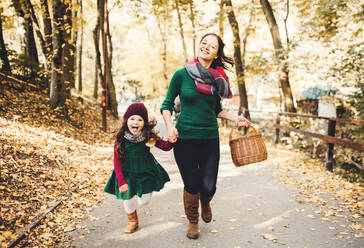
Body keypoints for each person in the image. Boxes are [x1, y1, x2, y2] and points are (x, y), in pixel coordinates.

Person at [160, 33, 250, 239]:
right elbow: (166, 105)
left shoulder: (217, 79)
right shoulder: (181, 75)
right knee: (192, 184)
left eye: (212, 46)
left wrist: (235, 118)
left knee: (209, 185)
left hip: (209, 138)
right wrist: (169, 127)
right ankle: (193, 221)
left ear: (217, 53)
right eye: (204, 43)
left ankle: (205, 202)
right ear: (199, 46)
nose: (206, 47)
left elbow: (217, 109)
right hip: (185, 139)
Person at [104, 102, 173, 233]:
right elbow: (117, 161)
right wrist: (121, 181)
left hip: (145, 170)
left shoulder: (148, 135)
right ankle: (133, 221)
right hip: (127, 171)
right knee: (127, 198)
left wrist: (171, 140)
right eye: (132, 119)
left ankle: (148, 189)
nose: (136, 122)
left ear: (144, 122)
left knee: (143, 201)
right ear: (126, 120)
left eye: (140, 119)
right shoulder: (120, 138)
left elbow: (165, 147)